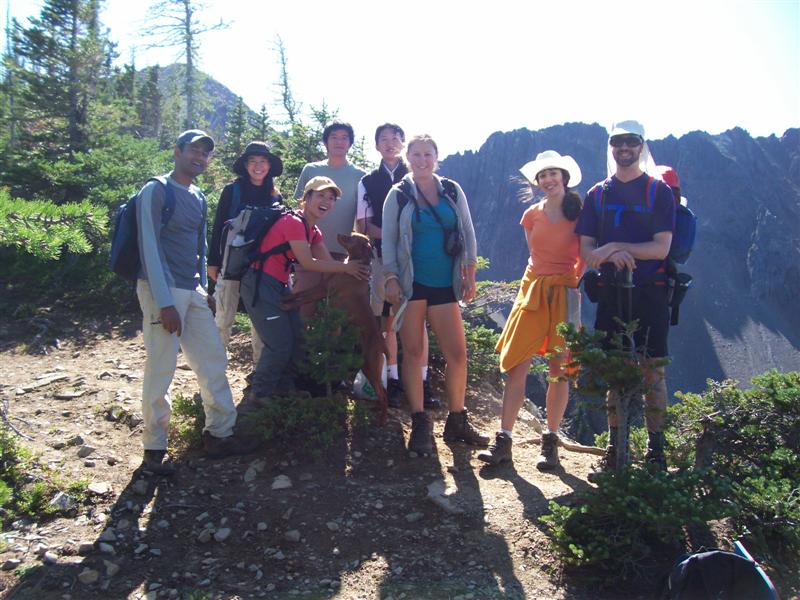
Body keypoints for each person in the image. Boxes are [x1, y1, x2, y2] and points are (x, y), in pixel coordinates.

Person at [135, 129, 255, 475]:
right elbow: (149, 247)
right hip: (164, 291)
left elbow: (201, 247)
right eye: (193, 151)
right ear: (177, 151)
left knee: (213, 359)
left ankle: (220, 434)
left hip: (193, 290)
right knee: (161, 368)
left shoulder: (199, 196)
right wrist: (164, 302)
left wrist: (206, 289)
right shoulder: (155, 190)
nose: (199, 157)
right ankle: (154, 449)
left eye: (205, 153)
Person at [575, 120, 676, 473]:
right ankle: (618, 449)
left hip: (651, 292)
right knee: (616, 372)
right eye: (618, 142)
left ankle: (656, 452)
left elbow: (661, 248)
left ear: (641, 146)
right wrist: (606, 253)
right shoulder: (597, 194)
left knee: (652, 373)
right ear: (611, 146)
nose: (624, 148)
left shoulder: (658, 192)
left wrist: (616, 245)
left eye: (631, 142)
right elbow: (586, 249)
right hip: (612, 294)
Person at [382, 134, 489, 456]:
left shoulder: (451, 191)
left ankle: (457, 420)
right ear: (408, 157)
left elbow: (467, 232)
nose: (422, 160)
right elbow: (388, 241)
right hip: (412, 284)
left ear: (436, 157)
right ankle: (419, 422)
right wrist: (390, 277)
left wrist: (469, 274)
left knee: (457, 354)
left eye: (428, 154)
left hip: (445, 284)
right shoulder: (398, 194)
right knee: (413, 353)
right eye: (416, 154)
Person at [478, 151, 584, 470]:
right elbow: (534, 255)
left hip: (565, 292)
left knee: (559, 369)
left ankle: (550, 442)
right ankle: (504, 439)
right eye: (543, 175)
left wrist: (572, 283)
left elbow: (586, 255)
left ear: (564, 177)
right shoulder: (531, 215)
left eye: (554, 173)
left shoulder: (581, 213)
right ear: (537, 182)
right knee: (518, 364)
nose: (549, 179)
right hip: (534, 289)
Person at [239, 176, 370, 401]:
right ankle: (260, 394)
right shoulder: (294, 223)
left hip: (279, 284)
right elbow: (308, 263)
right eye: (320, 195)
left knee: (298, 335)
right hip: (260, 282)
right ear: (306, 197)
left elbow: (328, 265)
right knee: (279, 343)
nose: (326, 202)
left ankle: (286, 388)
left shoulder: (313, 230)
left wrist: (354, 271)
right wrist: (347, 268)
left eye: (331, 198)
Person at [357, 123, 439, 409]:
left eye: (395, 139)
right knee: (387, 320)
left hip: (420, 261)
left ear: (403, 144)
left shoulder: (418, 177)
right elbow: (362, 225)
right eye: (384, 139)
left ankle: (422, 383)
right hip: (383, 258)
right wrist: (395, 234)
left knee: (420, 322)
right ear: (377, 145)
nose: (390, 143)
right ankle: (391, 380)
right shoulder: (368, 181)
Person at [207, 141, 283, 366]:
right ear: (246, 165)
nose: (258, 166)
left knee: (260, 321)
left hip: (262, 268)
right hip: (230, 263)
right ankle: (214, 369)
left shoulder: (275, 195)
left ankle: (260, 369)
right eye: (253, 162)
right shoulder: (232, 191)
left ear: (269, 166)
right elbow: (219, 225)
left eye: (262, 162)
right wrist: (213, 262)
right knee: (223, 316)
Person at [293, 122, 366, 317]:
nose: (339, 142)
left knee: (336, 314)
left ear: (350, 143)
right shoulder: (311, 170)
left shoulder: (360, 176)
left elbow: (362, 218)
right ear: (326, 142)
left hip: (342, 254)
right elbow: (297, 209)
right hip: (307, 253)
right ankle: (297, 347)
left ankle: (331, 349)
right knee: (302, 309)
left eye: (344, 138)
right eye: (334, 137)